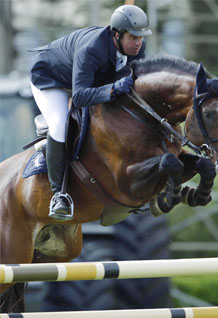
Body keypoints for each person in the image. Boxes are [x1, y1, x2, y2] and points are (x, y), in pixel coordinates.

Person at [29, 5, 152, 221]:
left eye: (141, 37)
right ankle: (59, 194)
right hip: (52, 80)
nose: (138, 42)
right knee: (60, 123)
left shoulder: (136, 48)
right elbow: (80, 97)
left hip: (86, 80)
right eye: (133, 37)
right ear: (117, 34)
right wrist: (113, 89)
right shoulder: (92, 49)